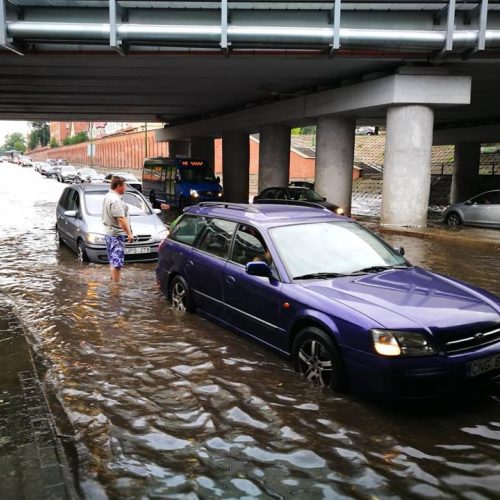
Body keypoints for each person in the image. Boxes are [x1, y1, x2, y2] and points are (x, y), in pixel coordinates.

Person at [102, 176, 133, 283]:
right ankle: (116, 288)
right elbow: (121, 219)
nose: (125, 188)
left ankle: (113, 282)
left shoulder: (108, 196)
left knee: (113, 261)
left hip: (109, 233)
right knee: (117, 264)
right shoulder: (115, 200)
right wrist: (129, 234)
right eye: (124, 185)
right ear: (118, 186)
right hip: (116, 235)